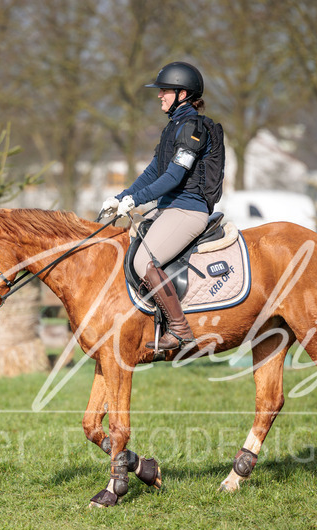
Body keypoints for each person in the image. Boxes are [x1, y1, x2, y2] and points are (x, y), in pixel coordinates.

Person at [100, 61, 224, 351]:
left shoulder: (193, 128)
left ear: (183, 94)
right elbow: (154, 171)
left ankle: (181, 330)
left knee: (144, 262)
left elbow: (174, 176)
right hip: (169, 207)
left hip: (188, 209)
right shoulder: (174, 127)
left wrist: (137, 200)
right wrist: (122, 197)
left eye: (165, 90)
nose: (160, 96)